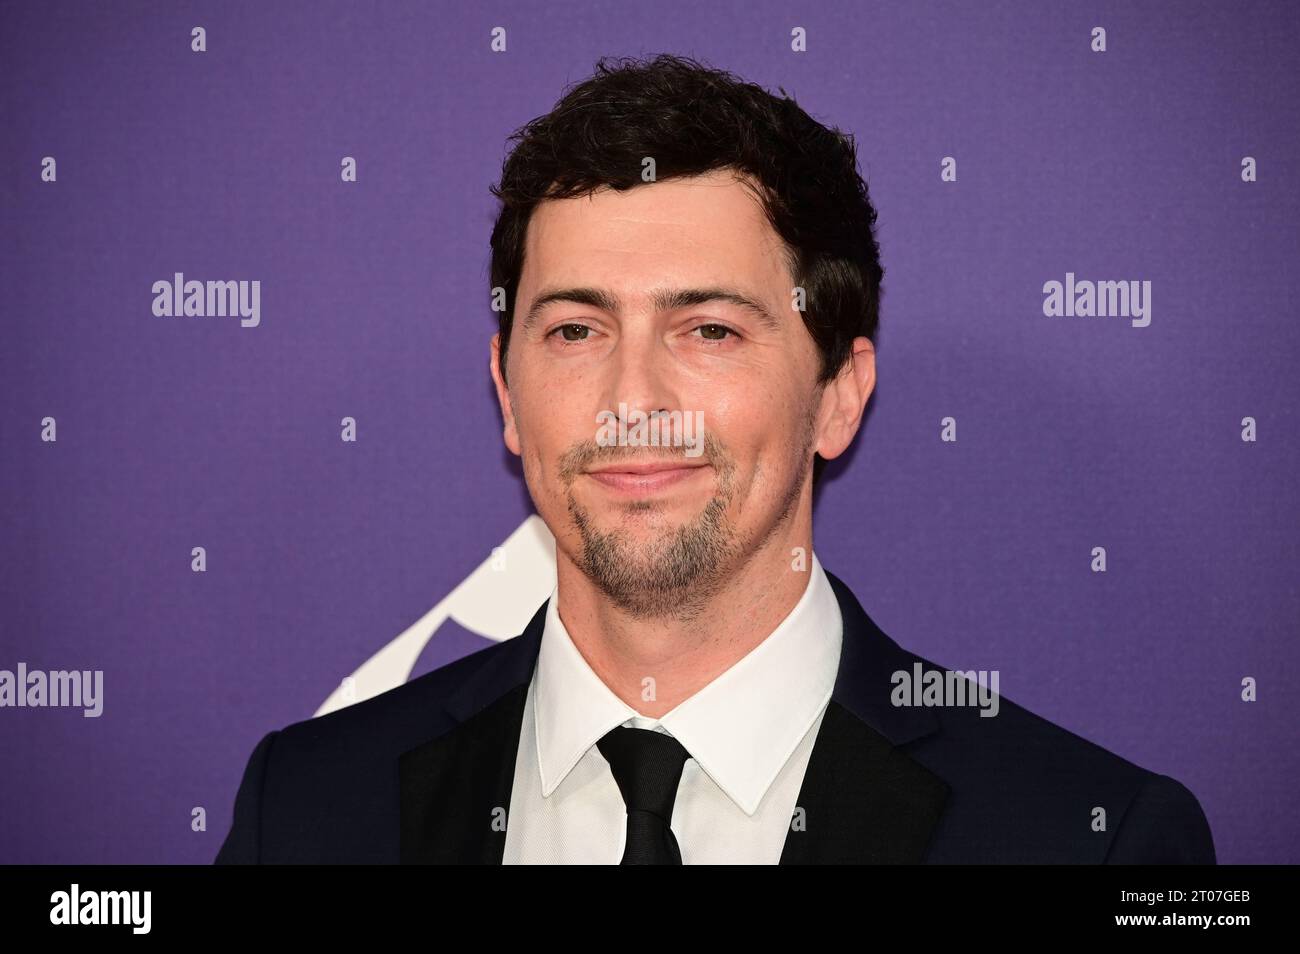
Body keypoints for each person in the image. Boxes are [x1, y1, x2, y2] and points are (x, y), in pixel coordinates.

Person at [215, 53, 1214, 864]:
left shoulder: (1085, 839)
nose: (633, 401)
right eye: (574, 331)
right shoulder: (306, 809)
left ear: (838, 392)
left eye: (708, 331)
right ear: (505, 388)